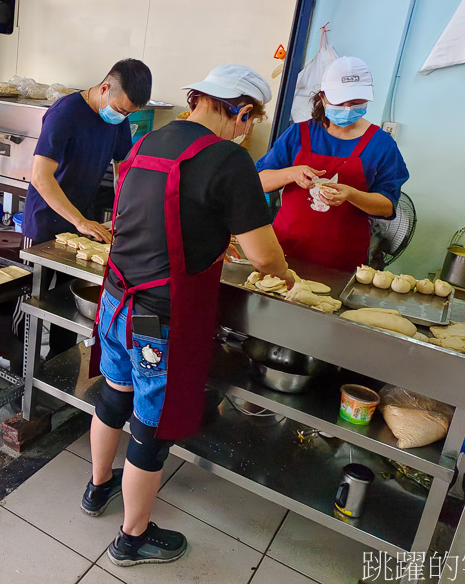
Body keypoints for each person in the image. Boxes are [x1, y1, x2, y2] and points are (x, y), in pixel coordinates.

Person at [83, 65, 293, 567]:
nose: (247, 130)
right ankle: (131, 539)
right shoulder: (228, 160)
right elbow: (264, 255)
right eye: (250, 120)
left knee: (115, 394)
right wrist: (283, 275)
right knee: (150, 426)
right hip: (159, 320)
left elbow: (156, 217)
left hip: (115, 300)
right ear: (241, 112)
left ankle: (98, 488)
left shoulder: (145, 141)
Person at [13, 59, 152, 351]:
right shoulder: (66, 113)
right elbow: (40, 176)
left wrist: (126, 212)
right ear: (104, 88)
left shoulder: (118, 119)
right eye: (121, 110)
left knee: (66, 302)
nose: (122, 116)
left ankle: (56, 366)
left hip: (81, 225)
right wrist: (78, 221)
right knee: (28, 300)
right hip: (44, 221)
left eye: (129, 113)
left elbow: (122, 169)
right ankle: (18, 372)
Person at [257, 56, 409, 271]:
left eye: (356, 102)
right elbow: (259, 181)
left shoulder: (380, 144)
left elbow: (387, 206)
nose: (347, 108)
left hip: (341, 256)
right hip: (285, 247)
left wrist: (352, 194)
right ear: (323, 97)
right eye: (340, 101)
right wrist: (291, 174)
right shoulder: (299, 134)